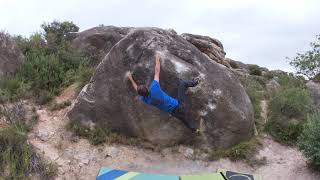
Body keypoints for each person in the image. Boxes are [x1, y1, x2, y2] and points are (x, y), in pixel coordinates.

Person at [127, 53, 199, 132]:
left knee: (183, 119)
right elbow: (157, 71)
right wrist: (157, 59)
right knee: (182, 84)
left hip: (172, 112)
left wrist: (131, 79)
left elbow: (137, 89)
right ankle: (195, 83)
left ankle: (194, 130)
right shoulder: (154, 88)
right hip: (179, 105)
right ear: (147, 88)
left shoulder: (146, 100)